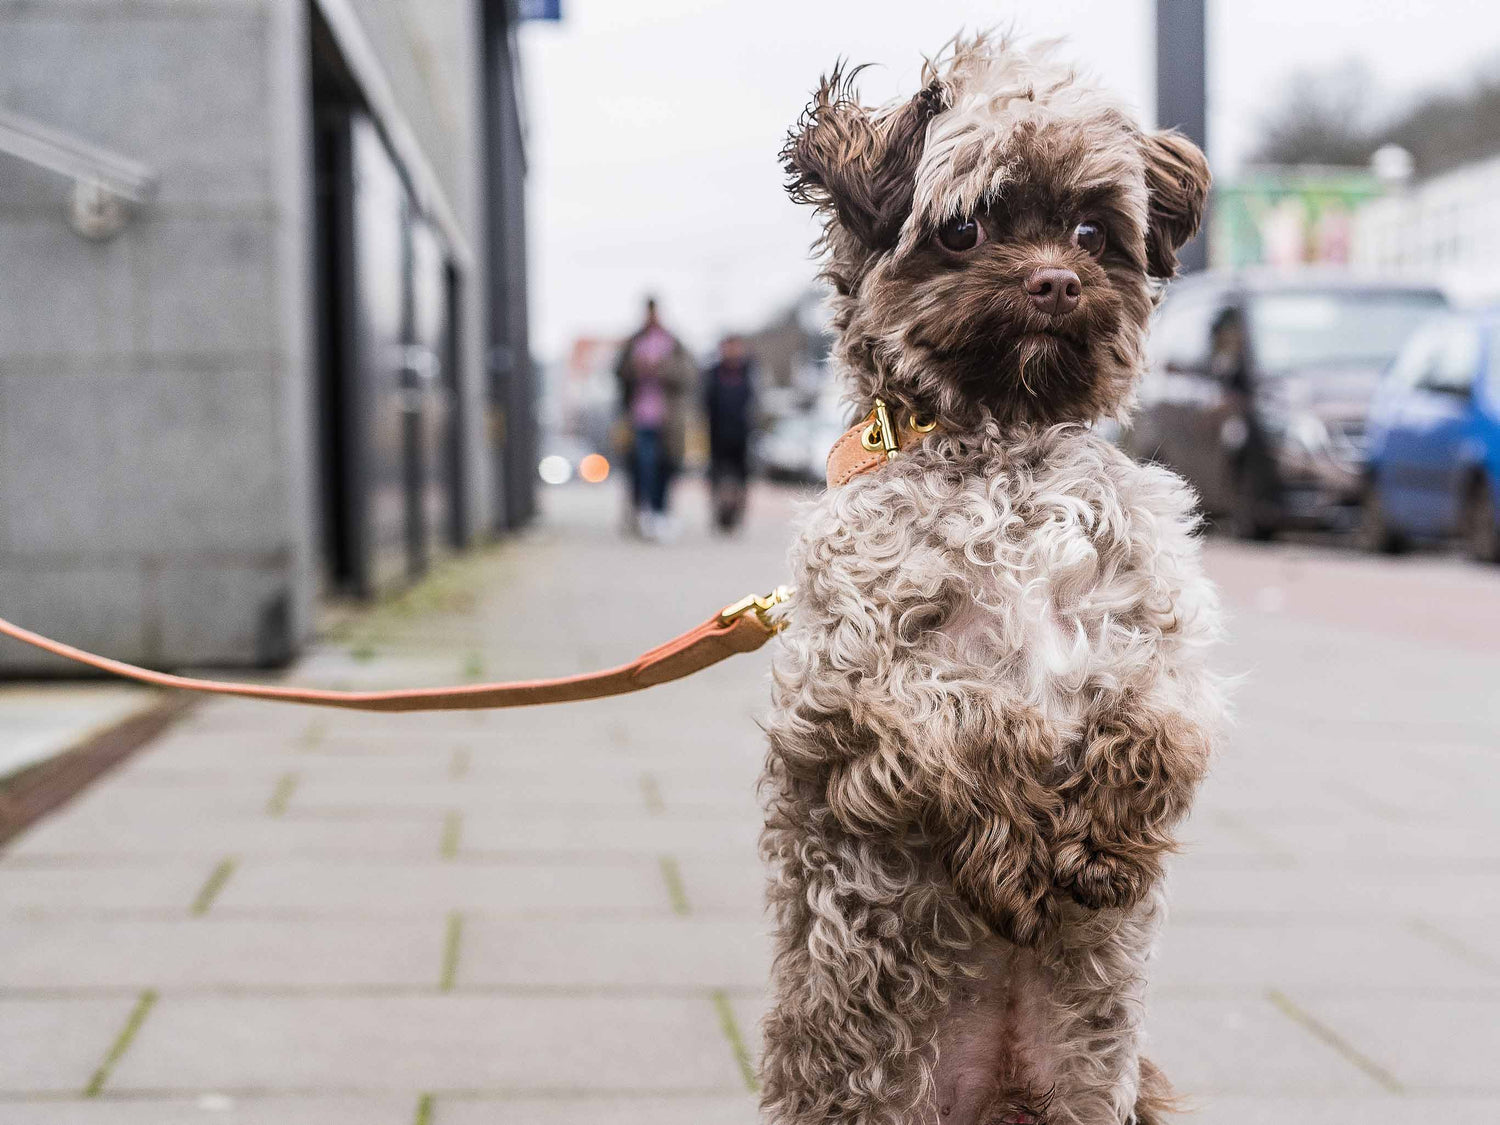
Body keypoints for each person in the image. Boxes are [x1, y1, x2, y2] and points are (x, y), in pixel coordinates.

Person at [614, 297, 695, 540]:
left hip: (668, 420)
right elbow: (619, 373)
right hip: (640, 418)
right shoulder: (633, 343)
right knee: (642, 465)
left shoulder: (673, 343)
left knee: (666, 467)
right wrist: (636, 368)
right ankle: (644, 512)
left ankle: (661, 513)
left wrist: (660, 369)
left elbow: (688, 376)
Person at [703, 334, 757, 532]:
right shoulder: (713, 373)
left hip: (742, 434)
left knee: (741, 476)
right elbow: (705, 402)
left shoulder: (749, 372)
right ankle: (719, 514)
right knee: (717, 475)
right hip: (717, 434)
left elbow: (755, 402)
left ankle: (738, 514)